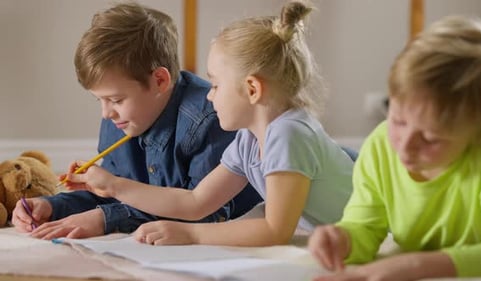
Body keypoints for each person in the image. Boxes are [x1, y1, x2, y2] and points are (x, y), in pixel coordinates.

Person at [49, 0, 354, 246]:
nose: (209, 96)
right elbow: (196, 202)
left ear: (252, 89)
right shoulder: (248, 140)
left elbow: (275, 230)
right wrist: (114, 185)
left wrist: (192, 234)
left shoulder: (288, 135)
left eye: (216, 85)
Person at [11, 2, 262, 239]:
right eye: (100, 100)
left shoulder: (210, 118)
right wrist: (51, 206)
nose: (106, 113)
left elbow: (203, 212)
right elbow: (112, 194)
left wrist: (104, 219)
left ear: (160, 81)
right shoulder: (118, 120)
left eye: (117, 100)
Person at [308, 15, 481, 280]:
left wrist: (415, 265)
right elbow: (365, 227)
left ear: (479, 134)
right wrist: (343, 239)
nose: (405, 147)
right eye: (398, 121)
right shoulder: (379, 146)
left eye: (431, 138)